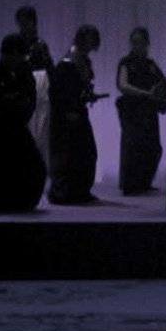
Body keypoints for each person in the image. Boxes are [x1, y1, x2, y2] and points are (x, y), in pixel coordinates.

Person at [0, 34, 46, 214]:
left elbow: (28, 101)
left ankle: (18, 201)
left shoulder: (23, 72)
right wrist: (10, 102)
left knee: (31, 168)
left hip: (16, 129)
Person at [48, 24, 101, 205]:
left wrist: (87, 96)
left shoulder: (82, 61)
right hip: (67, 115)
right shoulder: (69, 62)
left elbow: (79, 88)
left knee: (85, 153)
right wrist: (67, 111)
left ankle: (80, 191)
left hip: (77, 111)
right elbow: (59, 92)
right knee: (67, 154)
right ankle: (63, 192)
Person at [116, 27, 166, 195]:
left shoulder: (151, 65)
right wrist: (146, 93)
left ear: (147, 43)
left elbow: (165, 85)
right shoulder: (126, 62)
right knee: (133, 145)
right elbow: (123, 85)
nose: (137, 45)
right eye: (134, 42)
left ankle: (144, 182)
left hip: (148, 110)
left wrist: (160, 97)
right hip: (132, 110)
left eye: (140, 42)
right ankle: (130, 185)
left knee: (152, 147)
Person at [15, 6, 54, 168]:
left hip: (39, 89)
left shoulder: (40, 45)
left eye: (28, 22)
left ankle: (37, 166)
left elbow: (49, 68)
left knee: (39, 130)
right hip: (20, 90)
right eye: (21, 23)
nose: (24, 26)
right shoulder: (15, 44)